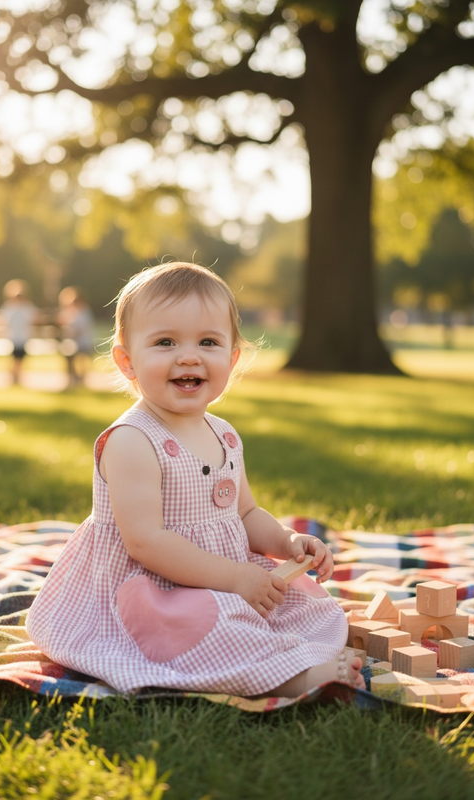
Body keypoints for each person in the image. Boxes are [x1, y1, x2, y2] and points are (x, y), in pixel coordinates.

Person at [26, 262, 364, 697]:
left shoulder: (224, 434)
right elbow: (145, 542)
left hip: (224, 575)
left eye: (208, 342)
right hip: (153, 588)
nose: (189, 356)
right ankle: (296, 677)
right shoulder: (132, 441)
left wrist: (284, 543)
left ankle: (292, 653)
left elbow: (245, 512)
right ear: (128, 361)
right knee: (210, 623)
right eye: (165, 342)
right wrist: (235, 579)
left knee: (301, 602)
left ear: (232, 357)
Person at [0, 279, 38, 385]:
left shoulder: (17, 308)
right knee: (17, 356)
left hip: (21, 338)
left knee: (19, 357)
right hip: (14, 338)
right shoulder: (16, 308)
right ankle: (15, 373)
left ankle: (16, 373)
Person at [57, 286, 95, 387]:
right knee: (67, 354)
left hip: (82, 343)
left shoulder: (83, 313)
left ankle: (79, 378)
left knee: (75, 356)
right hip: (74, 343)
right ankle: (73, 377)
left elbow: (79, 329)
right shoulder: (71, 313)